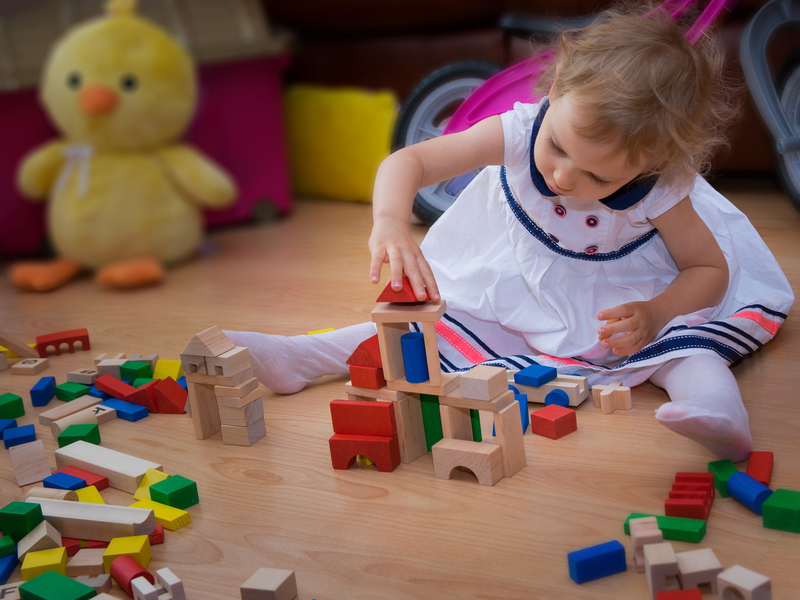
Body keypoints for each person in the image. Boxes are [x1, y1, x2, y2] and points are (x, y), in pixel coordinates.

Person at [226, 5, 793, 462]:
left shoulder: (662, 187)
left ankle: (718, 414)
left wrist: (658, 310)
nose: (563, 176)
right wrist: (391, 223)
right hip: (522, 293)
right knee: (426, 331)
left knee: (687, 351)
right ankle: (301, 357)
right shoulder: (521, 130)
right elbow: (409, 163)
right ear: (557, 87)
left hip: (622, 309)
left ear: (654, 162)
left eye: (598, 176)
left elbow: (708, 271)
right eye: (559, 147)